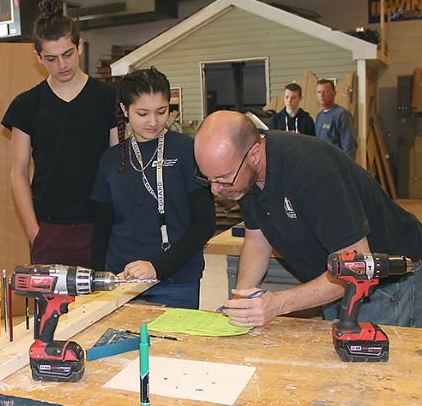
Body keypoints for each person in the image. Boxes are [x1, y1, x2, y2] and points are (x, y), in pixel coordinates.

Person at [194, 111, 422, 328]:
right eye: (209, 179)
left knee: (370, 368)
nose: (215, 190)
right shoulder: (243, 176)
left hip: (388, 287)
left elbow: (357, 266)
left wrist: (278, 304)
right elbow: (257, 240)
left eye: (223, 179)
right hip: (337, 283)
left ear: (254, 154)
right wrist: (239, 301)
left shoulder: (313, 173)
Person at [1, 0, 117, 269]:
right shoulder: (26, 105)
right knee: (54, 312)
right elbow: (17, 171)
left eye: (68, 54)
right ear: (37, 57)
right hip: (49, 229)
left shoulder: (108, 98)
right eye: (51, 59)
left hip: (102, 226)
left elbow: (118, 166)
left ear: (80, 46)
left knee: (103, 310)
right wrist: (34, 231)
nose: (62, 65)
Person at [91, 68, 216, 309]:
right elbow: (101, 229)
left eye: (161, 111)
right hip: (121, 281)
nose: (153, 122)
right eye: (142, 113)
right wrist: (99, 279)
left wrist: (158, 267)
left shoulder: (187, 150)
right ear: (125, 110)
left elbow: (204, 223)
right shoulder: (110, 159)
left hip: (176, 282)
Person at [315, 79, 357, 159]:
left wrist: (346, 167)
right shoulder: (319, 116)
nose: (322, 95)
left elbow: (349, 145)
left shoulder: (342, 114)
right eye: (319, 92)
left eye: (326, 91)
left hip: (337, 165)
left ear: (334, 93)